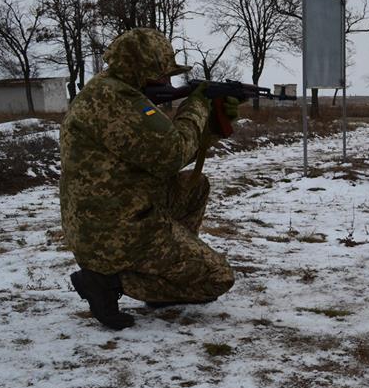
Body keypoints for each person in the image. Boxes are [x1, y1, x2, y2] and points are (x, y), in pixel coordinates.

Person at [59, 28, 237, 330]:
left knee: (195, 187)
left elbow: (160, 156)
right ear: (143, 70)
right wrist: (196, 105)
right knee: (217, 278)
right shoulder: (115, 101)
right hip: (117, 231)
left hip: (115, 215)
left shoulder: (108, 91)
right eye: (163, 74)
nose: (167, 82)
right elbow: (172, 152)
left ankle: (165, 270)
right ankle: (106, 281)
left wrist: (213, 123)